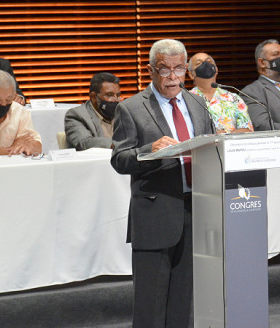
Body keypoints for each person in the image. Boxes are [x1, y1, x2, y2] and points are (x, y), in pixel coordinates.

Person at [110, 39, 213, 327]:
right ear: (151, 71)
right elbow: (119, 159)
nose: (172, 76)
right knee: (151, 304)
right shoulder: (131, 108)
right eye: (165, 69)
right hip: (155, 212)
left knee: (183, 301)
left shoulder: (197, 102)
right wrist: (148, 151)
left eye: (179, 68)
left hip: (196, 209)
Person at [187, 52, 253, 134]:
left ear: (216, 69)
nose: (205, 65)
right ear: (191, 74)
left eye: (209, 62)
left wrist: (224, 136)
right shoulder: (186, 99)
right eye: (199, 63)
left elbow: (247, 130)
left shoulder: (234, 98)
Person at [64, 72, 122, 150]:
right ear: (94, 97)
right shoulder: (76, 115)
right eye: (109, 95)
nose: (115, 99)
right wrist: (120, 144)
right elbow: (85, 142)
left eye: (118, 95)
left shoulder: (122, 112)